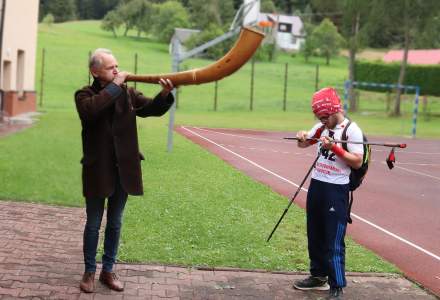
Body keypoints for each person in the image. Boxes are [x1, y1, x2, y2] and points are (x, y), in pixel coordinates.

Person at [75, 48, 174, 293]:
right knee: (93, 223)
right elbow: (91, 111)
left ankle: (108, 271)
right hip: (97, 170)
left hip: (124, 169)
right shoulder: (84, 95)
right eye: (111, 68)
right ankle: (89, 272)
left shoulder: (127, 93)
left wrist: (164, 94)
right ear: (95, 72)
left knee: (115, 223)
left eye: (117, 66)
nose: (117, 71)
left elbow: (152, 109)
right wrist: (116, 85)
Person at [292, 87, 364, 299]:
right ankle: (318, 275)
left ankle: (336, 285)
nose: (321, 120)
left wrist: (335, 148)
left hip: (337, 188)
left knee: (333, 237)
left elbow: (357, 161)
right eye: (317, 117)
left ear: (334, 111)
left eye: (324, 116)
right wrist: (301, 137)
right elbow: (303, 144)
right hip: (317, 185)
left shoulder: (352, 130)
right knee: (315, 233)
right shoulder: (320, 127)